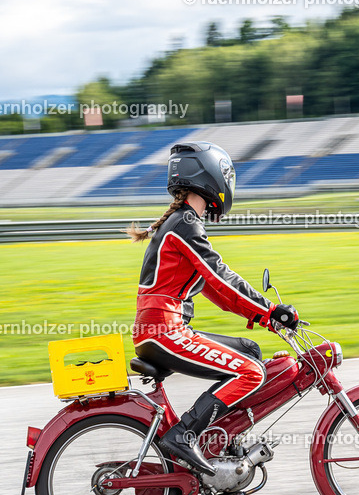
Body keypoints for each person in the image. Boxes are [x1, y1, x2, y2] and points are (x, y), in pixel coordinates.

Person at [125, 141, 298, 475]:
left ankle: (223, 438)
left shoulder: (179, 221)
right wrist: (272, 309)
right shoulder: (186, 223)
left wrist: (262, 319)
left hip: (159, 331)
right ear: (212, 177)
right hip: (166, 332)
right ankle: (184, 436)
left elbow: (216, 292)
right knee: (251, 372)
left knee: (250, 351)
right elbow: (222, 277)